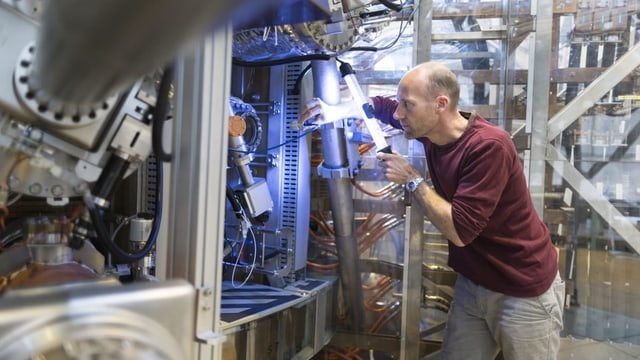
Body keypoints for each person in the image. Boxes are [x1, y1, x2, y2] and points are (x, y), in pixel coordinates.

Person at [300, 61, 565, 360]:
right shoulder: (428, 128)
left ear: (441, 104)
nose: (399, 114)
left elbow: (460, 231)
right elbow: (377, 105)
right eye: (401, 104)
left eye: (408, 105)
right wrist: (336, 111)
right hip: (475, 282)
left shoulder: (489, 147)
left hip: (522, 289)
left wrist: (411, 179)